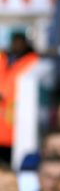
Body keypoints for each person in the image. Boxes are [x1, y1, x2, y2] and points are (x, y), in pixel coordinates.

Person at [0, 33, 39, 163]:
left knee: (11, 156)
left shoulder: (33, 60)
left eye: (20, 42)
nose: (17, 45)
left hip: (15, 115)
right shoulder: (3, 58)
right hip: (3, 114)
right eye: (15, 42)